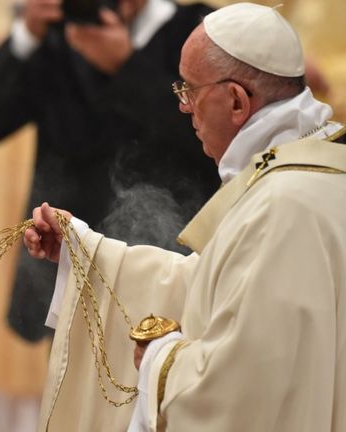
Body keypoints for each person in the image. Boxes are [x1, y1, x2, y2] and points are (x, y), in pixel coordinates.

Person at [24, 3, 346, 431]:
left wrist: (160, 358)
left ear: (235, 100)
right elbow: (216, 290)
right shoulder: (307, 173)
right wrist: (86, 253)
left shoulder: (283, 206)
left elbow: (242, 390)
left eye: (189, 91)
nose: (184, 107)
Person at [0, 0, 221, 342]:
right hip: (69, 272)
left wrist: (127, 66)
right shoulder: (59, 38)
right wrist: (26, 35)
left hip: (169, 269)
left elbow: (208, 142)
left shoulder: (199, 31)